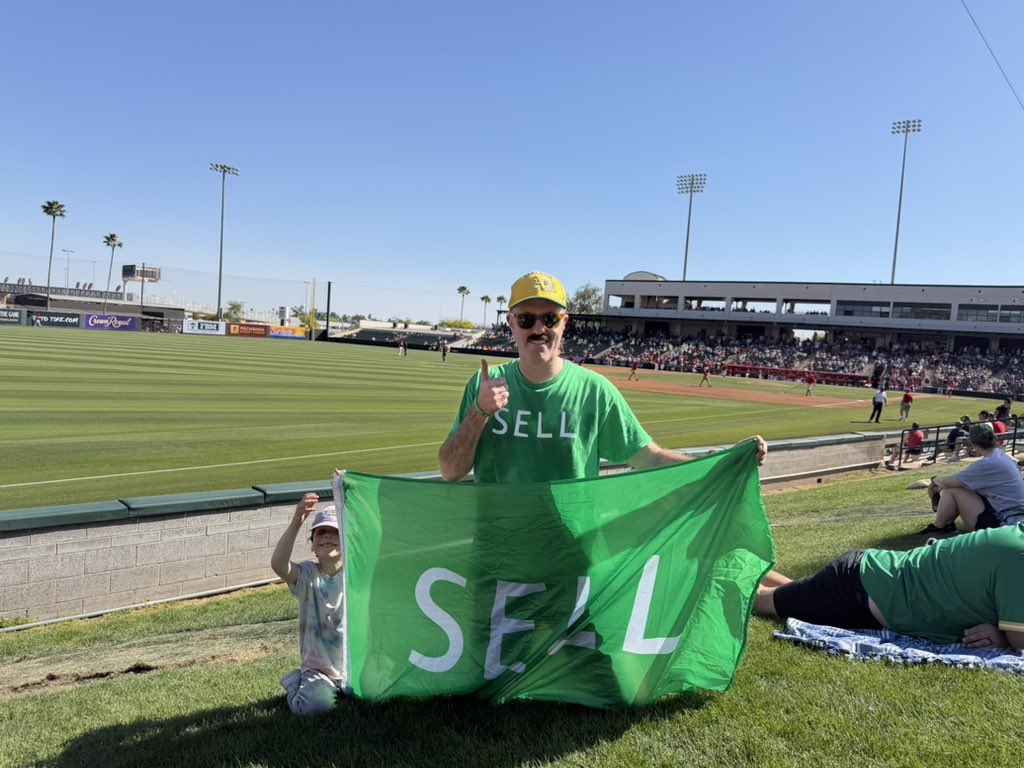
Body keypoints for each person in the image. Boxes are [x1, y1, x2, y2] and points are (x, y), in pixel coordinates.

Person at [438, 271, 767, 484]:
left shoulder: (594, 391)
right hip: (497, 555)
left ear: (564, 323)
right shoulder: (484, 384)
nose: (538, 329)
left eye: (549, 318)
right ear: (511, 324)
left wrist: (716, 464)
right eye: (526, 319)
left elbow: (648, 457)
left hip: (570, 561)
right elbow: (450, 471)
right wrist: (479, 412)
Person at [754, 525, 1024, 649]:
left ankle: (741, 563)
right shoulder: (1019, 556)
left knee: (794, 593)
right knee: (762, 601)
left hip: (867, 579)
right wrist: (1004, 637)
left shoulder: (1017, 538)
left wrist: (1004, 633)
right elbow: (1019, 641)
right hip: (857, 592)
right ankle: (718, 567)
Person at [271, 493, 347, 715]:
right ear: (313, 545)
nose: (328, 537)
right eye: (321, 532)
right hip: (319, 669)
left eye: (335, 532)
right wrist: (297, 520)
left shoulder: (356, 575)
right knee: (315, 707)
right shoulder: (307, 576)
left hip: (354, 666)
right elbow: (278, 564)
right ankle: (296, 683)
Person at [922, 422, 1024, 534]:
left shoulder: (988, 463)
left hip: (1008, 523)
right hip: (1014, 516)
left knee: (951, 490)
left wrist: (933, 480)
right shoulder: (1001, 456)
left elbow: (949, 483)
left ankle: (939, 526)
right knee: (958, 488)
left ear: (974, 444)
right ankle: (946, 524)